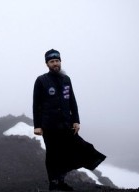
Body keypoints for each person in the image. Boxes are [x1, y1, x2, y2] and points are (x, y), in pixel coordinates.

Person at [33, 49, 106, 191]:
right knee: (53, 155)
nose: (55, 64)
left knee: (69, 152)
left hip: (66, 124)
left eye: (57, 61)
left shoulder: (66, 79)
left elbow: (72, 101)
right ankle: (54, 183)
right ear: (47, 64)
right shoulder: (41, 80)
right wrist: (37, 125)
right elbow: (36, 104)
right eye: (52, 61)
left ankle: (60, 181)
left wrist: (76, 120)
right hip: (49, 126)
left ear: (60, 62)